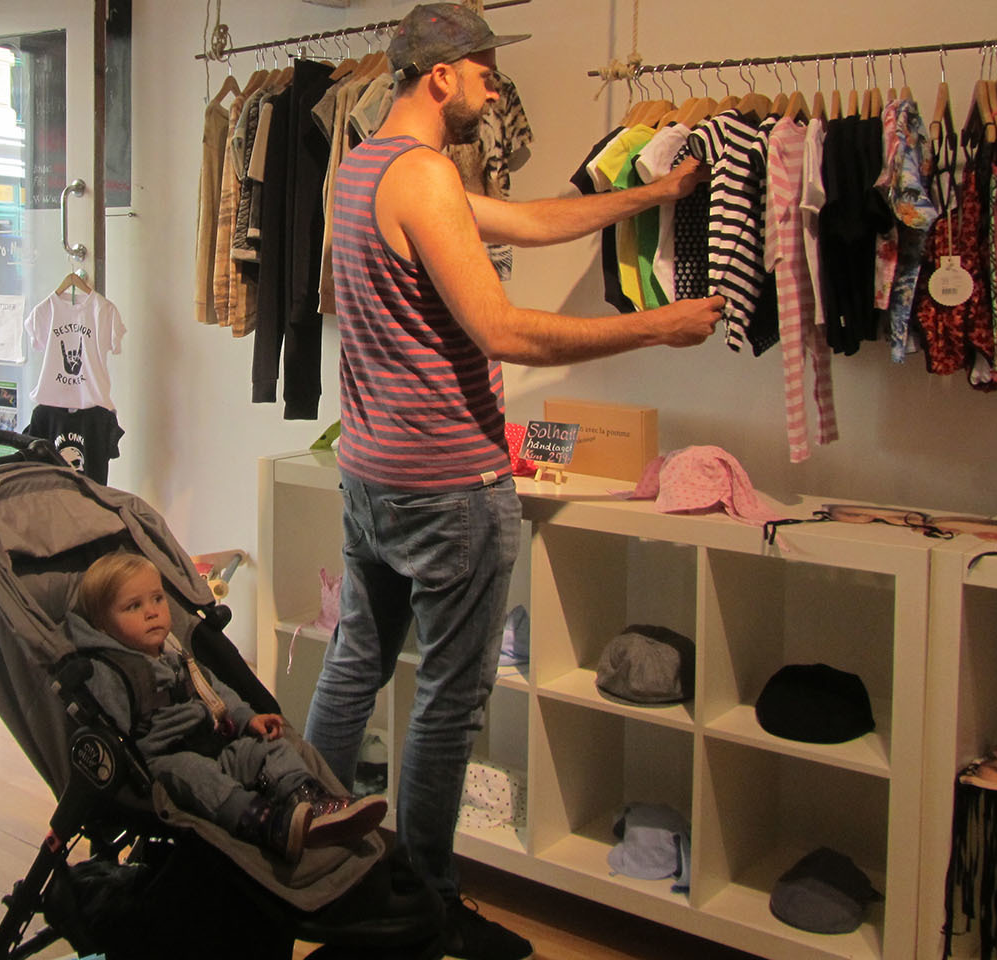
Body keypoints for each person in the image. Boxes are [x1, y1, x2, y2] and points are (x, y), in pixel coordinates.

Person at [300, 5, 725, 958]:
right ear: (440, 76)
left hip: (372, 476)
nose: (495, 89)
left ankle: (302, 868)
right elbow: (503, 330)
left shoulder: (370, 168)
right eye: (485, 72)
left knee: (356, 665)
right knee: (450, 699)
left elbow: (530, 220)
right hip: (449, 487)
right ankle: (427, 906)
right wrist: (657, 327)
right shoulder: (422, 176)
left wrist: (645, 200)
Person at [71, 551, 387, 862]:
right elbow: (111, 727)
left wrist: (247, 718)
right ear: (102, 626)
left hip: (215, 743)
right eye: (133, 606)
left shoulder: (172, 651)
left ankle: (311, 801)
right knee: (197, 774)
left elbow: (216, 691)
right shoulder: (111, 671)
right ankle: (267, 824)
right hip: (165, 760)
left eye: (157, 599)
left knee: (269, 748)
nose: (152, 612)